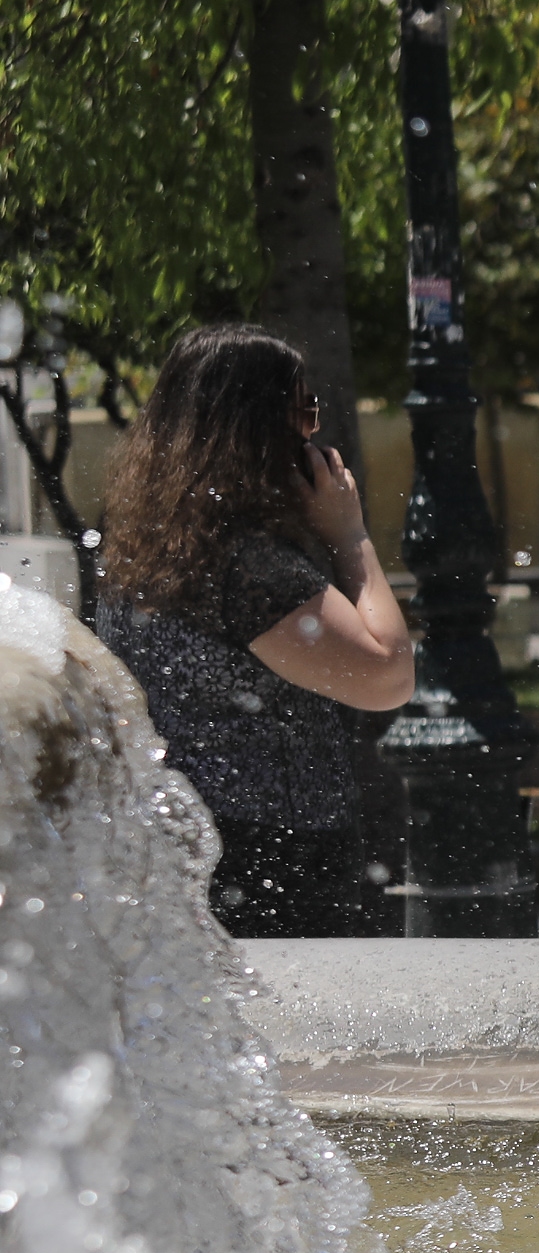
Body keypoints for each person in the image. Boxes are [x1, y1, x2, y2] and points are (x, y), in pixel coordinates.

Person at [93, 324, 414, 935]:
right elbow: (388, 675)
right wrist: (350, 536)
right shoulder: (248, 569)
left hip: (180, 844)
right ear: (257, 427)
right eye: (304, 409)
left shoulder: (139, 551)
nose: (314, 429)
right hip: (276, 861)